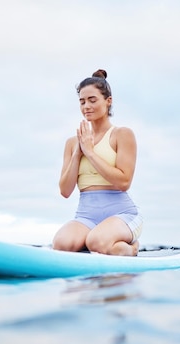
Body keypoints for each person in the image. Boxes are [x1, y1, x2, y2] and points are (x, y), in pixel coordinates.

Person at [52, 69, 143, 256]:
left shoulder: (122, 134)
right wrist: (78, 152)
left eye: (92, 100)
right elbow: (65, 191)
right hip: (86, 216)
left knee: (96, 241)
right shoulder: (72, 142)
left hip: (122, 214)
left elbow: (124, 182)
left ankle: (132, 247)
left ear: (108, 101)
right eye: (82, 101)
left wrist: (91, 153)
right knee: (61, 244)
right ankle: (107, 247)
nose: (86, 106)